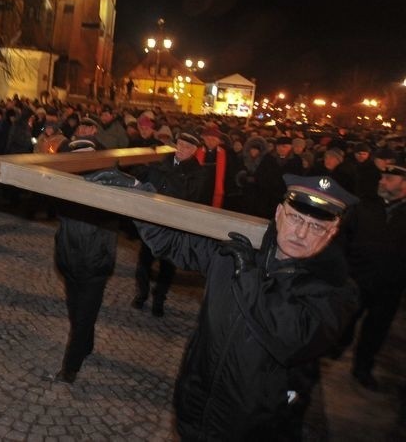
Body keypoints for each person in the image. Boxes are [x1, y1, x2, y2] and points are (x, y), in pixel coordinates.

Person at [87, 170, 359, 440]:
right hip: (196, 407)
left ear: (332, 232)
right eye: (295, 217)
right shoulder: (243, 252)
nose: (300, 232)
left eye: (316, 226)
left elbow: (291, 336)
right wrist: (138, 196)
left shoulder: (335, 290)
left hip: (253, 428)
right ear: (278, 213)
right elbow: (175, 243)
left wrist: (247, 276)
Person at [45, 128, 119, 385]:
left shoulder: (110, 183)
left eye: (88, 153)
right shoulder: (65, 182)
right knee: (77, 312)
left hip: (94, 262)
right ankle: (86, 345)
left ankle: (70, 369)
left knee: (84, 315)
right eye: (78, 154)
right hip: (69, 259)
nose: (84, 159)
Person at [341, 163, 406, 391]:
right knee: (343, 321)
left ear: (404, 184)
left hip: (390, 287)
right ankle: (333, 349)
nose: (382, 181)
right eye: (382, 177)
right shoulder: (363, 206)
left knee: (375, 331)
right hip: (357, 279)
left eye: (389, 178)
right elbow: (343, 238)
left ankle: (363, 368)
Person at [130, 132, 209, 316]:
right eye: (180, 145)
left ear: (194, 151)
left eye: (188, 147)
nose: (182, 149)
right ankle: (141, 294)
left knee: (167, 265)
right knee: (144, 261)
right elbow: (144, 182)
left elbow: (194, 198)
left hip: (174, 225)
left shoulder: (197, 173)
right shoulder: (161, 162)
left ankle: (159, 299)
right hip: (153, 221)